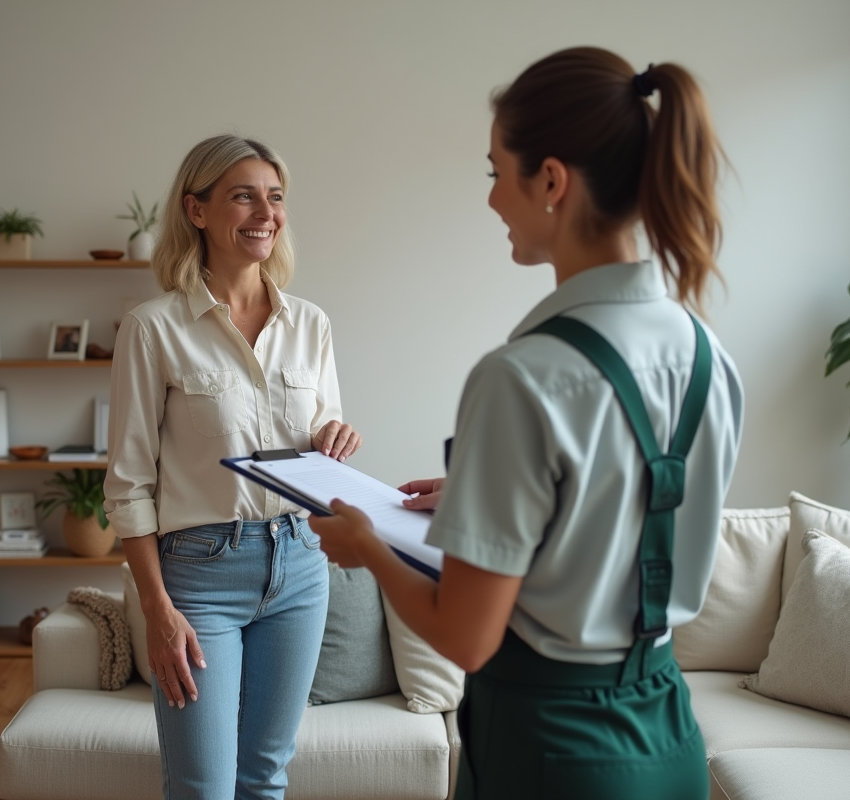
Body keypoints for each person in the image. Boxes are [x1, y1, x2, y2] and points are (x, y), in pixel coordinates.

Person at [309, 47, 744, 800]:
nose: (491, 200)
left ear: (550, 181)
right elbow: (635, 499)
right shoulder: (709, 355)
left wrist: (367, 547)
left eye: (495, 172)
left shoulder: (521, 378)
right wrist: (485, 495)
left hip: (550, 748)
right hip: (670, 734)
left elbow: (465, 639)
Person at [104, 134, 362, 800]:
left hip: (300, 564)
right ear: (196, 210)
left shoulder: (311, 324)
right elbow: (128, 485)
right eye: (243, 196)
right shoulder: (152, 328)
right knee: (204, 788)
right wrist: (157, 610)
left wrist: (332, 436)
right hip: (199, 574)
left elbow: (320, 443)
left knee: (265, 779)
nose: (265, 214)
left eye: (275, 197)